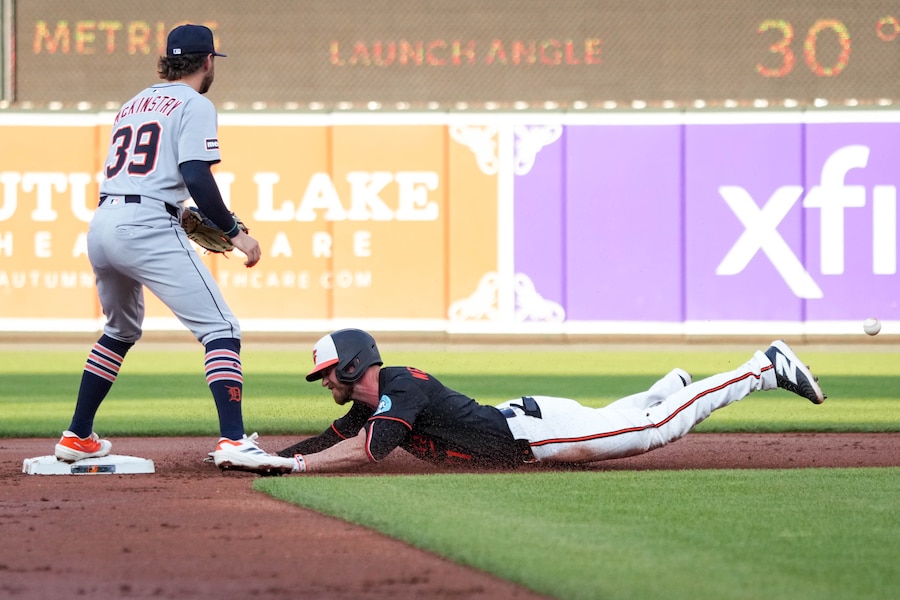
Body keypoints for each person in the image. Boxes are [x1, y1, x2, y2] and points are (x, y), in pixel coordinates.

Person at [54, 24, 287, 473]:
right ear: (207, 62)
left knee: (119, 331)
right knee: (222, 328)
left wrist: (176, 210)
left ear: (167, 61)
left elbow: (145, 175)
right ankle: (234, 440)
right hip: (146, 224)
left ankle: (77, 435)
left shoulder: (132, 104)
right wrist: (234, 231)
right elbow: (196, 175)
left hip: (103, 221)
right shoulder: (195, 103)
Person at [274, 329, 825, 473]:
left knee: (656, 431)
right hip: (527, 420)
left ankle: (762, 369)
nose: (324, 381)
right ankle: (671, 386)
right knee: (626, 418)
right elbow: (335, 439)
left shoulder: (403, 388)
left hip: (535, 436)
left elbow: (372, 450)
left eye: (327, 373)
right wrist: (271, 458)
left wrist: (297, 467)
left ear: (350, 366)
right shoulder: (374, 401)